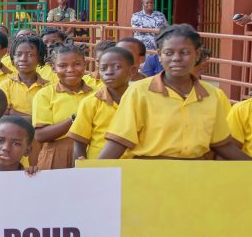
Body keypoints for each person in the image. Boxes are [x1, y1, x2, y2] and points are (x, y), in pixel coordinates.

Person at [100, 24, 250, 161]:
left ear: (197, 55)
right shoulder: (138, 92)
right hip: (148, 176)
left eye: (185, 52)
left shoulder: (212, 95)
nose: (176, 58)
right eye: (168, 52)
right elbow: (118, 142)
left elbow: (222, 145)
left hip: (196, 177)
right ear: (159, 55)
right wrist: (89, 175)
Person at [31, 44, 95, 170]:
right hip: (56, 155)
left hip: (89, 153)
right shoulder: (45, 94)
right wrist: (75, 119)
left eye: (77, 64)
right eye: (62, 65)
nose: (70, 69)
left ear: (85, 65)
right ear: (54, 68)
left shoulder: (96, 94)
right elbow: (40, 135)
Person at [71, 47, 133, 160]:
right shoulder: (90, 102)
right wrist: (81, 169)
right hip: (99, 166)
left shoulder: (140, 100)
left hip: (134, 167)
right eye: (103, 68)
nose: (109, 72)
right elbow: (79, 142)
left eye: (117, 67)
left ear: (132, 71)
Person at [2, 36, 49, 118]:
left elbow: (47, 116)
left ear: (39, 58)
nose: (23, 59)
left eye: (30, 55)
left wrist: (13, 112)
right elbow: (4, 112)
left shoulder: (47, 87)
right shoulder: (7, 85)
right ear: (13, 58)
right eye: (18, 54)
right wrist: (35, 120)